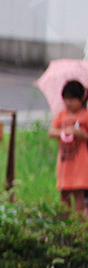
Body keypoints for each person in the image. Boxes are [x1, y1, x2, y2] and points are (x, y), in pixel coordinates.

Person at [48, 80, 88, 218]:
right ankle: (64, 222)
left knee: (78, 193)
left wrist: (80, 133)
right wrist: (62, 132)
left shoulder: (85, 116)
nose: (69, 103)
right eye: (66, 99)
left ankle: (78, 223)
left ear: (81, 99)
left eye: (73, 99)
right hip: (65, 162)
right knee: (64, 192)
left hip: (80, 163)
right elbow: (51, 131)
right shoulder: (62, 115)